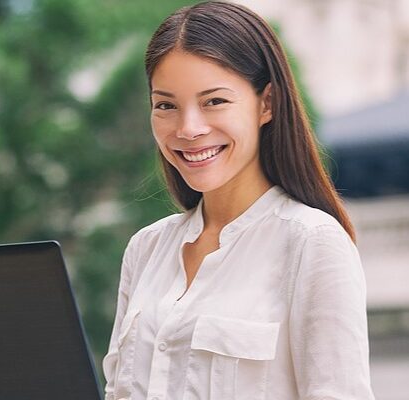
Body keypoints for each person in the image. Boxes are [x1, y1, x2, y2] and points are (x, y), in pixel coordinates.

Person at [102, 2, 375, 400]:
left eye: (214, 101)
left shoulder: (312, 244)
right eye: (166, 105)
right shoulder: (145, 250)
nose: (189, 129)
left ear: (267, 104)